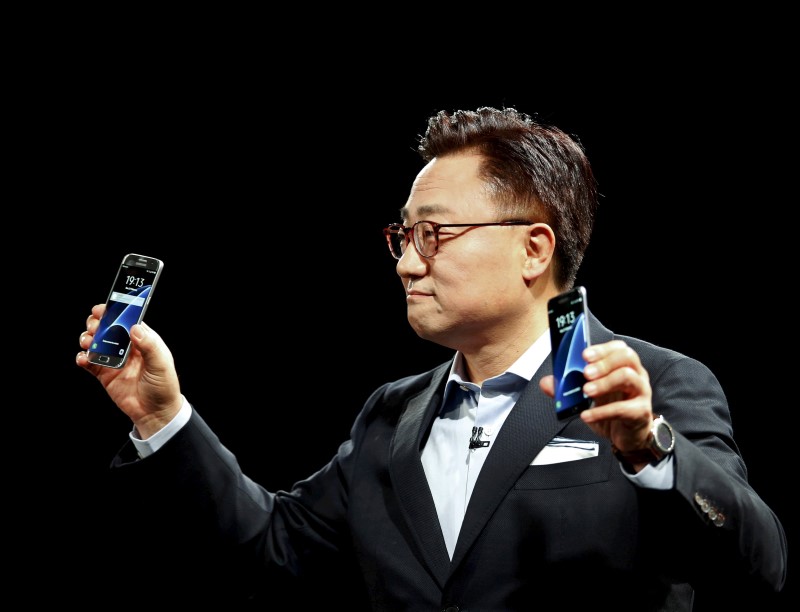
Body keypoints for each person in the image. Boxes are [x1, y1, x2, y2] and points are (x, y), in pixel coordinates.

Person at [77, 106, 787, 611]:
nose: (406, 265)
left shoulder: (658, 385)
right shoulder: (392, 415)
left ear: (534, 249)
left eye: (434, 235)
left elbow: (759, 565)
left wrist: (650, 450)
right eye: (403, 237)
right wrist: (163, 415)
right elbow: (273, 552)